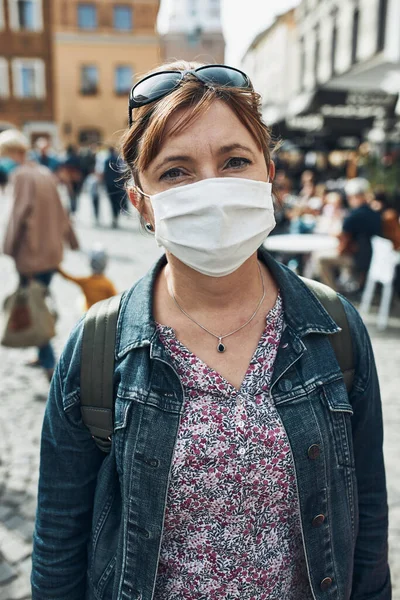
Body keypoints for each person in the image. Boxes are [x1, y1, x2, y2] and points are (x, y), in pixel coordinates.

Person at [32, 62, 390, 599]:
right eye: (176, 171)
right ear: (141, 204)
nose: (212, 190)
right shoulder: (100, 347)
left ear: (269, 174)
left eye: (234, 161)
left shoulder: (333, 329)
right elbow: (59, 543)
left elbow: (366, 517)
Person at [1, 129, 79, 381]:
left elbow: (16, 215)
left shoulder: (21, 175)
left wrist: (8, 247)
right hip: (50, 252)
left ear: (13, 152)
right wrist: (71, 239)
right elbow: (62, 210)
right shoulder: (44, 172)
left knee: (34, 304)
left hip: (31, 255)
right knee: (39, 299)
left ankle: (48, 362)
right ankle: (41, 354)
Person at [319, 177, 382, 291]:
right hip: (374, 258)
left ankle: (332, 292)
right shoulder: (374, 213)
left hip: (357, 259)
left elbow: (343, 244)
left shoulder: (353, 216)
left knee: (321, 258)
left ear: (354, 196)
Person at [57, 246, 117, 310]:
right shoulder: (108, 283)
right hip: (102, 313)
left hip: (88, 313)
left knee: (80, 301)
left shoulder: (85, 281)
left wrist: (58, 268)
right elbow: (116, 301)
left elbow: (69, 277)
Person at [103, 146, 128, 228]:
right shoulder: (118, 160)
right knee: (118, 200)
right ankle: (116, 215)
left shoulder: (106, 160)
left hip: (109, 184)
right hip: (118, 183)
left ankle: (114, 216)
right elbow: (122, 172)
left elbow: (104, 173)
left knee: (112, 201)